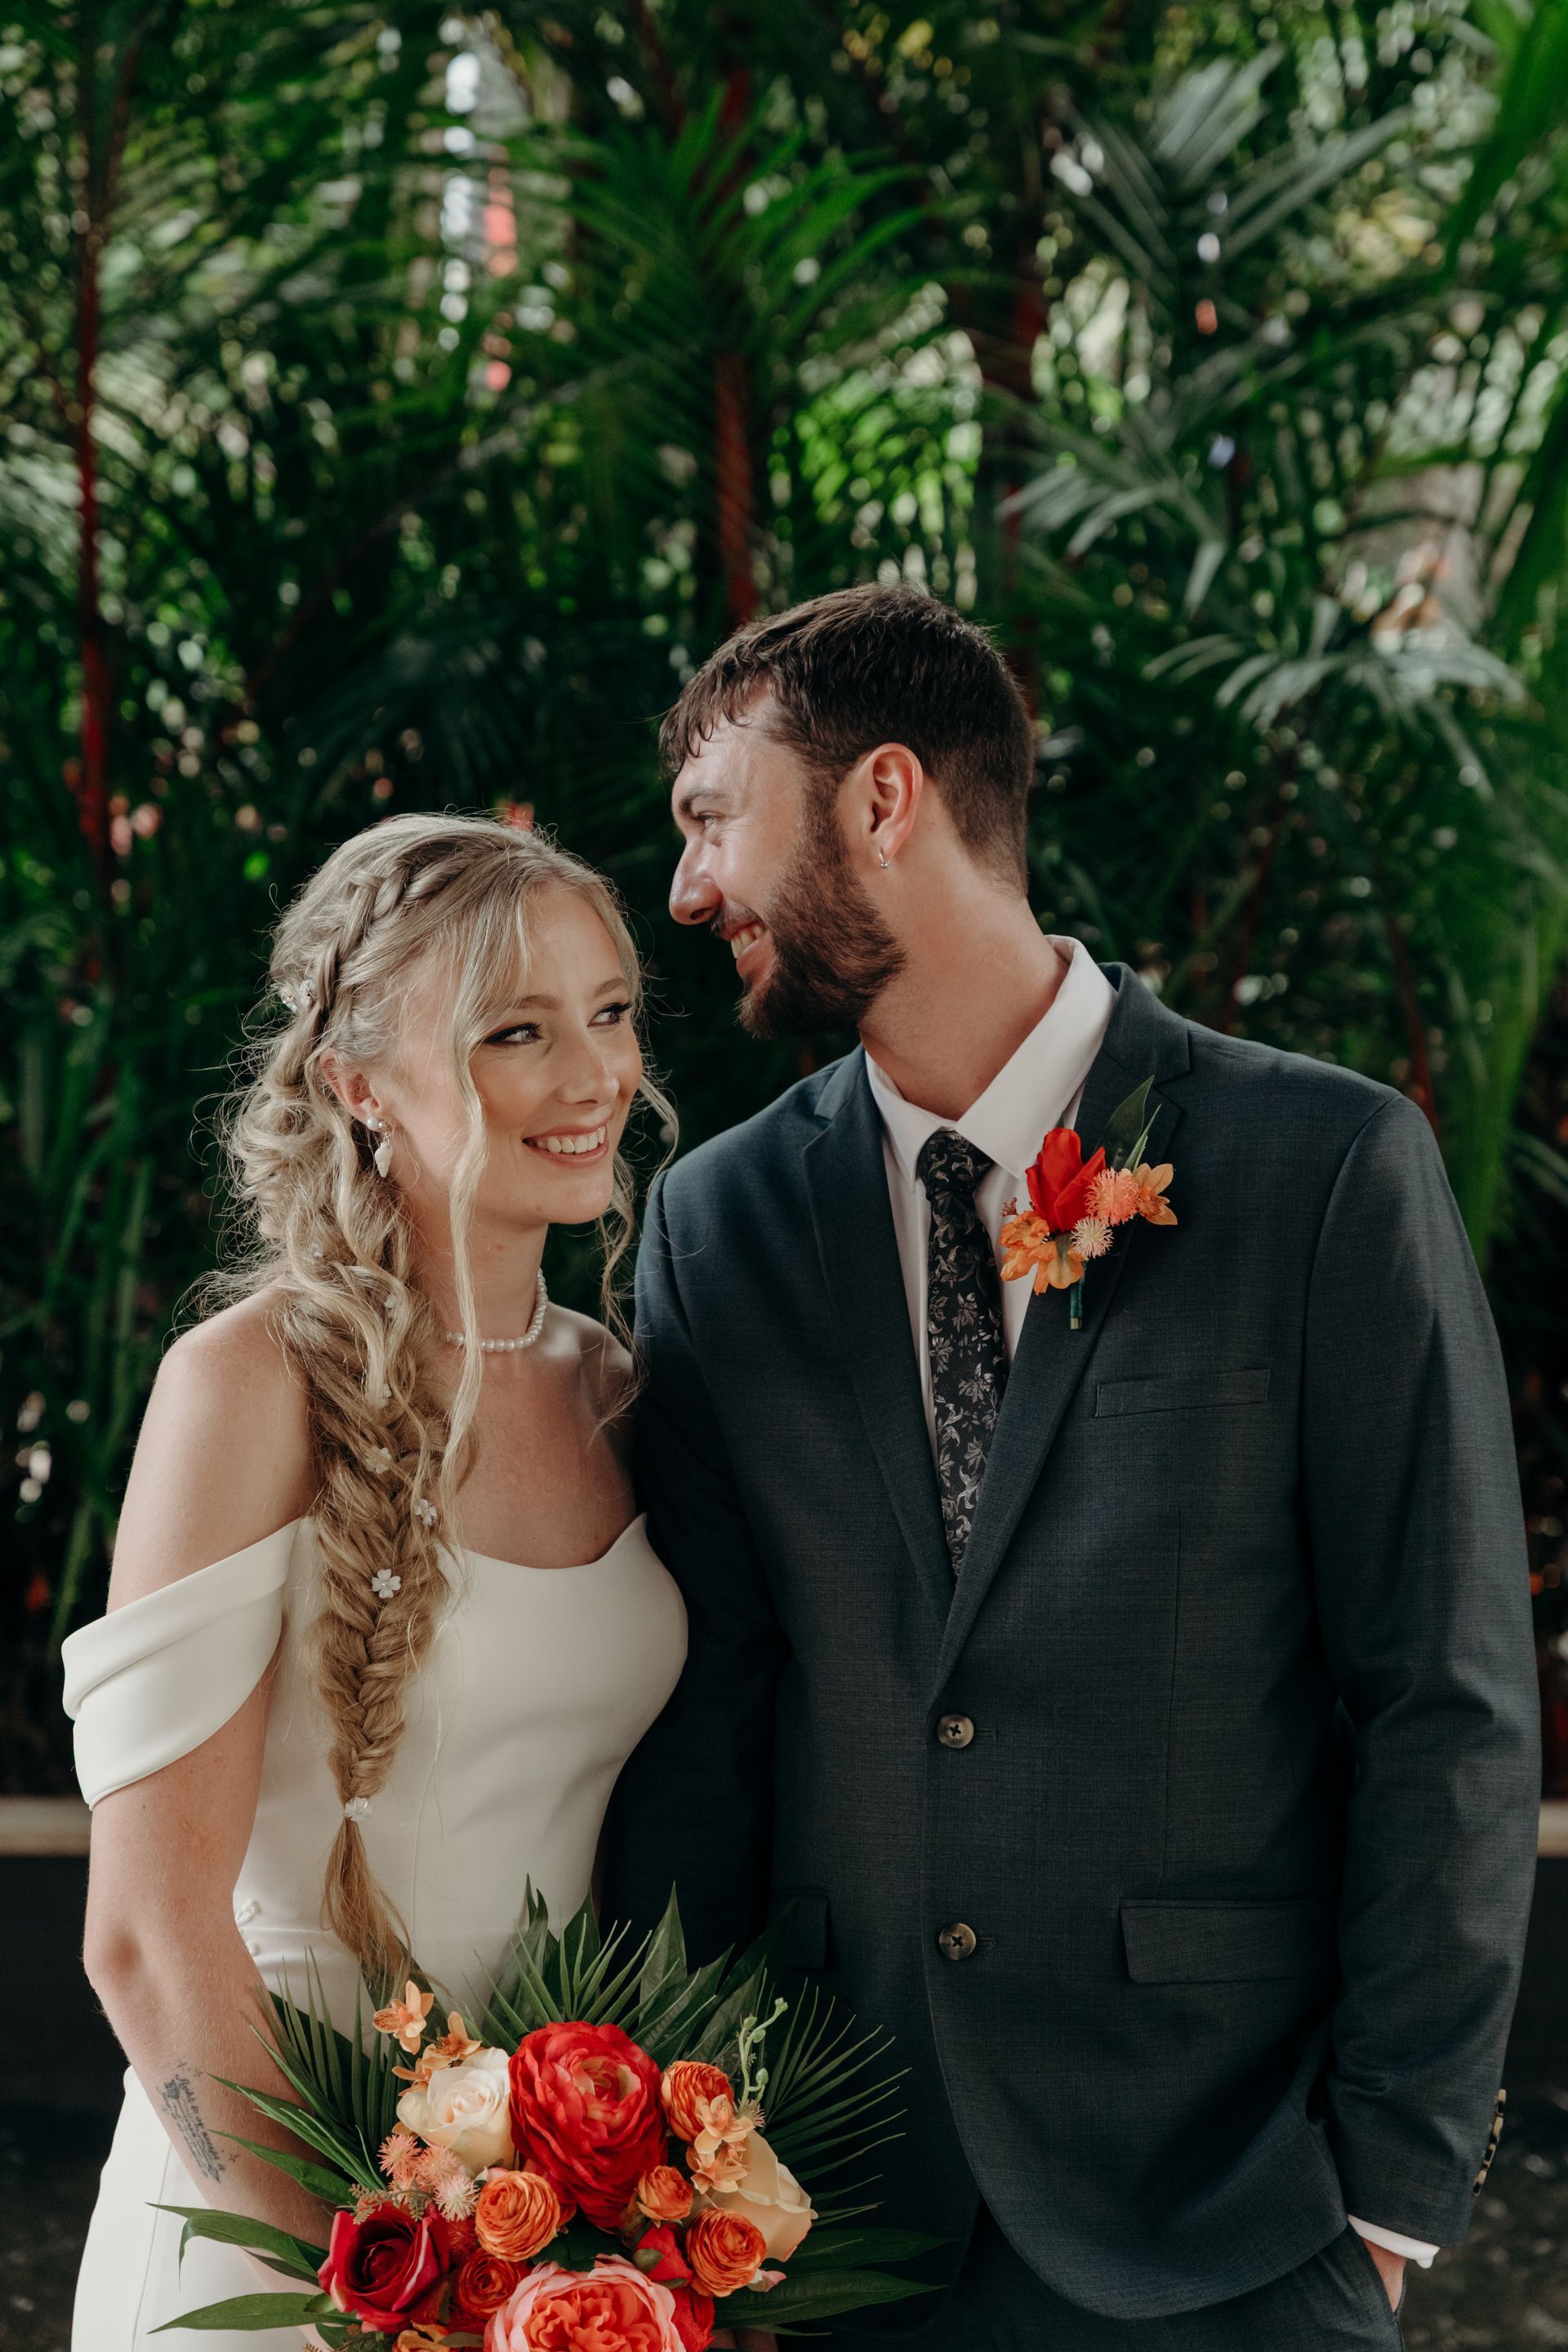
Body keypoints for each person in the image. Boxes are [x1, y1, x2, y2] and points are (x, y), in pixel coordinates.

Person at [599, 583, 1542, 2350]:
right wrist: (671, 2171)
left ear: (886, 799)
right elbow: (705, 1720)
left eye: (713, 819)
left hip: (1236, 2211)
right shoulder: (719, 1222)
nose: (689, 891)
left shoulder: (1326, 1168)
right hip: (824, 2217)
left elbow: (1444, 1699)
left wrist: (1391, 2200)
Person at [63, 814, 688, 2350]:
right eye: (515, 1032)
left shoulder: (619, 1390)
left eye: (610, 1013)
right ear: (356, 1085)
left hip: (549, 2234)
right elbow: (145, 1932)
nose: (593, 1075)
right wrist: (371, 2288)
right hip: (281, 2231)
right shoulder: (247, 1387)